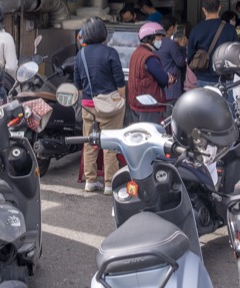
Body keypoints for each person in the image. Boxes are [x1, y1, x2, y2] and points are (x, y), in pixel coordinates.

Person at [72, 17, 126, 195]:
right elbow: (120, 83)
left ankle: (90, 181)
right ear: (103, 33)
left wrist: (87, 100)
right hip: (109, 105)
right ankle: (109, 184)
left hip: (88, 105)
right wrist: (121, 101)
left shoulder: (80, 54)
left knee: (89, 143)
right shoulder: (110, 52)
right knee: (110, 144)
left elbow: (78, 85)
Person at [187, 0, 238, 88]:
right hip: (225, 81)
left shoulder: (196, 29)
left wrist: (199, 72)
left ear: (203, 9)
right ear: (219, 7)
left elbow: (190, 57)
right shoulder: (230, 29)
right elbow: (235, 55)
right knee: (225, 103)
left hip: (203, 79)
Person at [128, 21, 173, 123]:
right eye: (158, 38)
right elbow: (163, 79)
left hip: (136, 103)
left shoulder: (136, 53)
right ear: (150, 38)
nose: (160, 41)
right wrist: (169, 79)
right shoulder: (150, 58)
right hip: (148, 107)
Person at [155, 15, 187, 107]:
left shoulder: (156, 42)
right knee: (170, 114)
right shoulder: (171, 44)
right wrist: (182, 47)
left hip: (159, 84)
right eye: (176, 27)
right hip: (171, 85)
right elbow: (180, 62)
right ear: (172, 28)